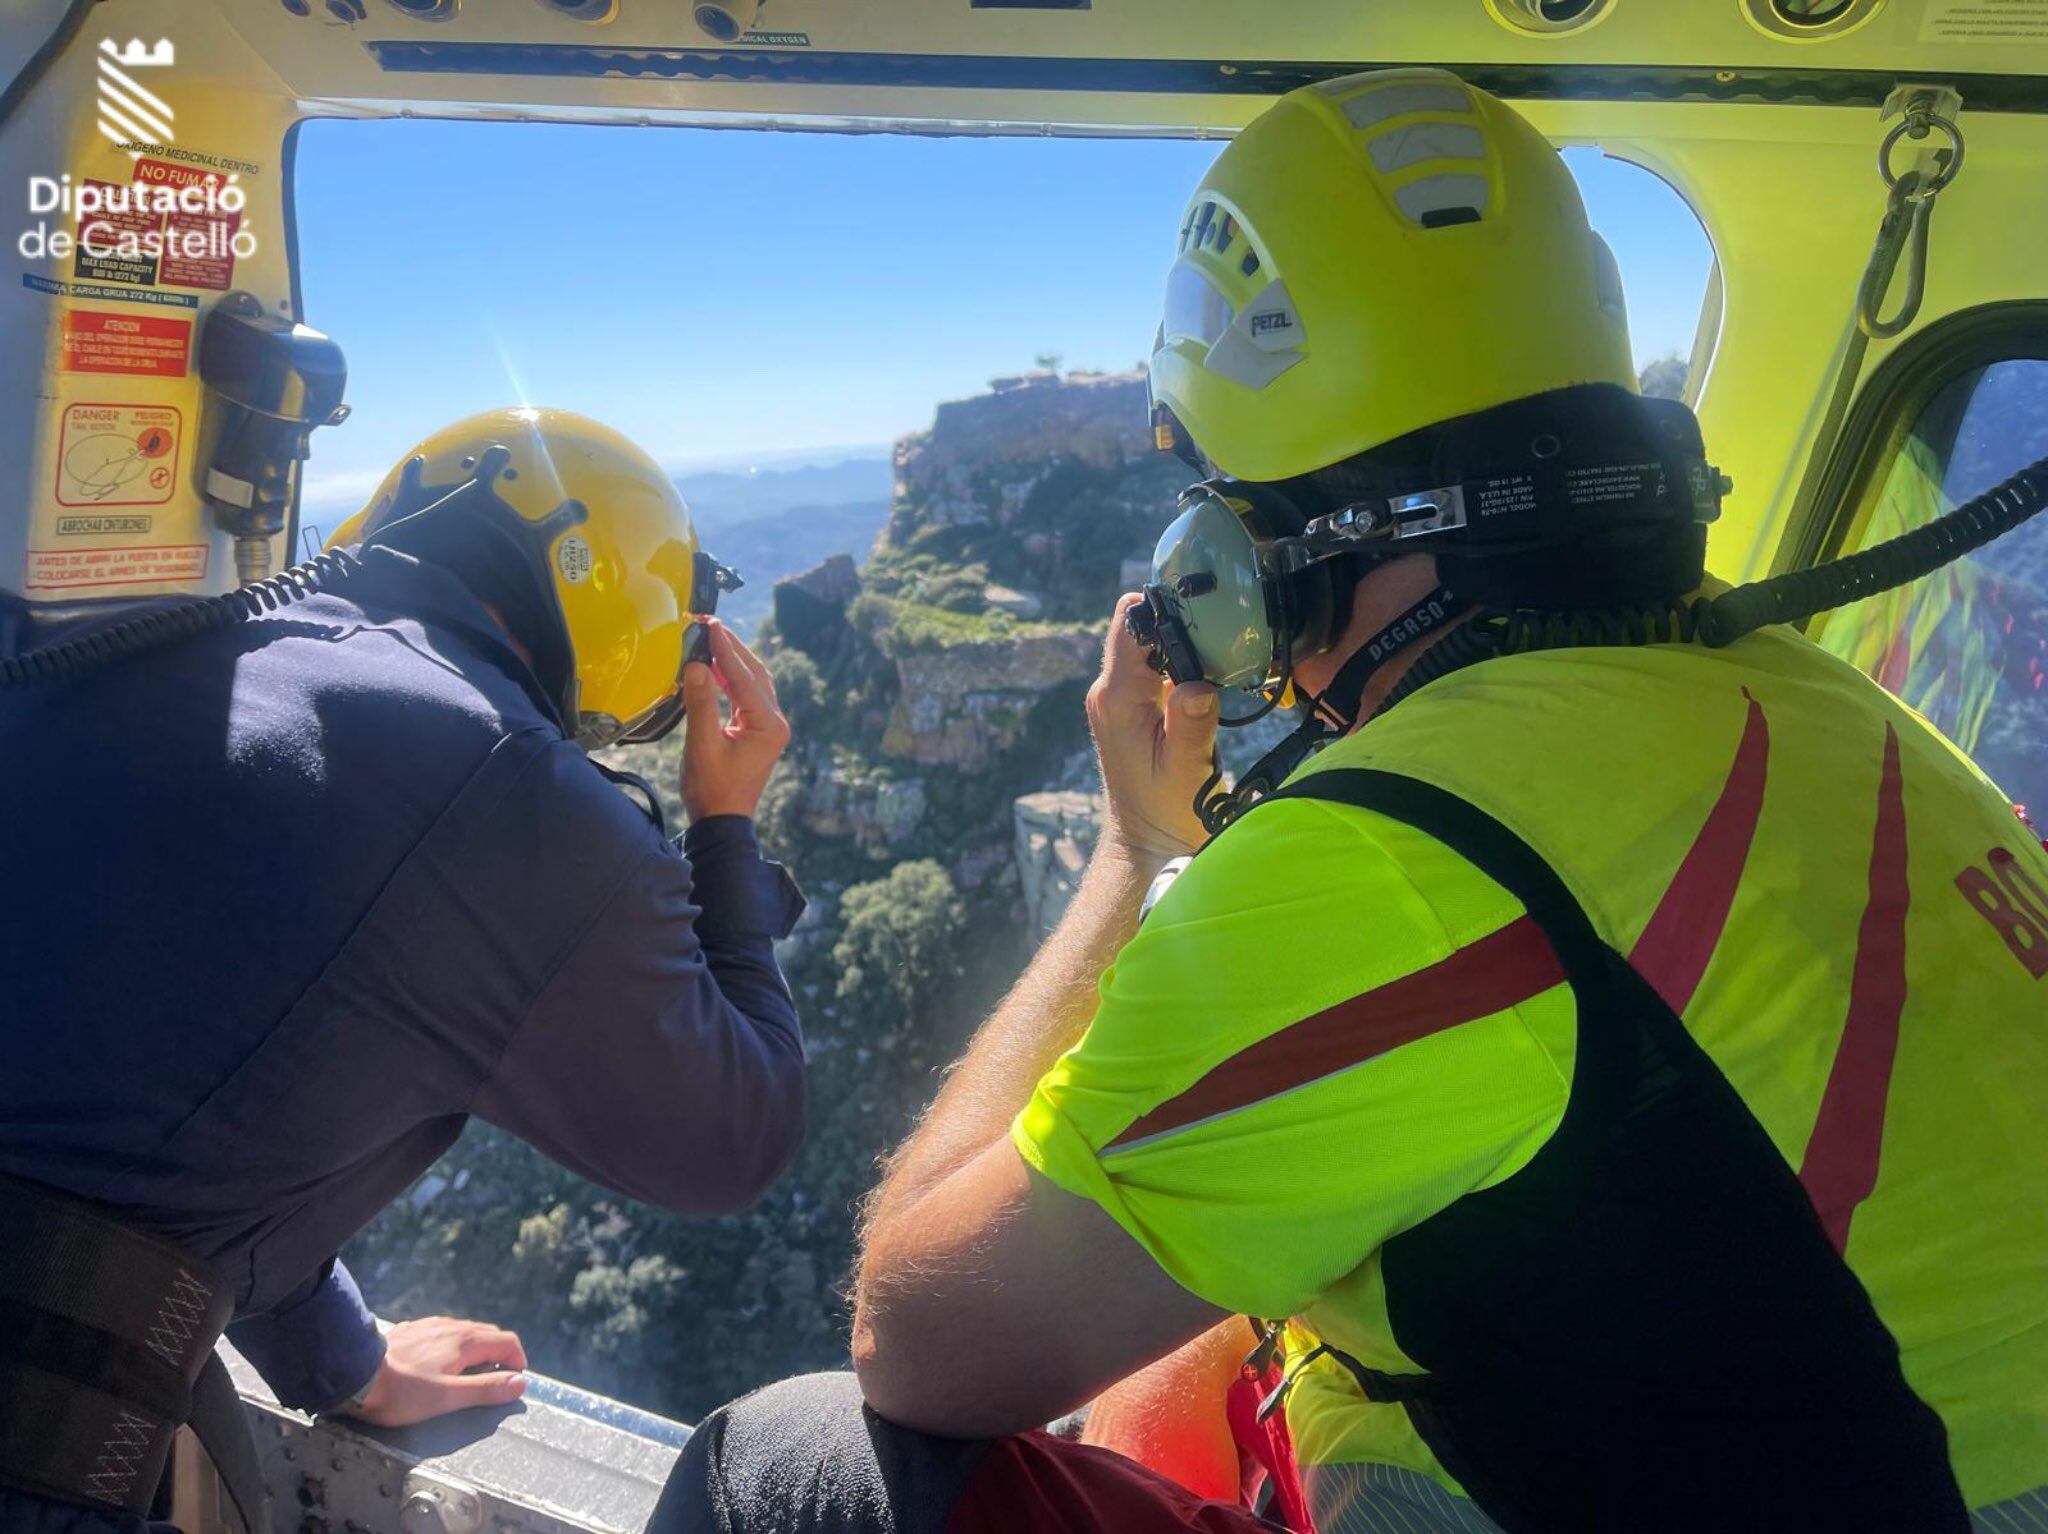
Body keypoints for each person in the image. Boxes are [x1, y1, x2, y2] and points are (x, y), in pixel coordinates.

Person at [659, 68, 2048, 1533]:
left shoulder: (1398, 859)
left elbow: (916, 1337)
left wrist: (1132, 851)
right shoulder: (1826, 697)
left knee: (782, 1473)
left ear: (1262, 560)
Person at [0, 407, 806, 1530]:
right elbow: (738, 1134)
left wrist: (344, 1361)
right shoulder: (509, 795)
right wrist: (722, 825)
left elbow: (199, 1083)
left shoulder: (169, 641)